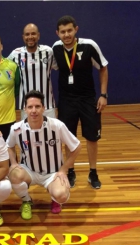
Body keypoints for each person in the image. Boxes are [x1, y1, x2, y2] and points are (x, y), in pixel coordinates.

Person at [52, 15, 108, 189]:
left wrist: (103, 95)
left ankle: (93, 172)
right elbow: (53, 67)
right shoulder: (56, 48)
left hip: (88, 99)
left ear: (76, 29)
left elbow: (103, 68)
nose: (66, 34)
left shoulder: (89, 45)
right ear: (57, 33)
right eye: (63, 32)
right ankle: (70, 170)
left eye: (69, 30)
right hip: (67, 100)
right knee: (68, 138)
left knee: (92, 137)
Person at [7, 90, 81, 218]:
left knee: (61, 195)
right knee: (13, 174)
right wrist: (13, 163)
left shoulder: (57, 125)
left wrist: (64, 169)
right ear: (24, 109)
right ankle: (26, 201)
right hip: (29, 171)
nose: (33, 110)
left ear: (43, 108)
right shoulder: (17, 128)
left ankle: (55, 199)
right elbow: (9, 146)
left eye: (37, 106)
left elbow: (77, 146)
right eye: (30, 107)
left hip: (53, 173)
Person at [8, 23, 56, 119]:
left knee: (50, 133)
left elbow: (60, 66)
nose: (30, 37)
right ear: (23, 37)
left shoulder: (48, 52)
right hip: (26, 106)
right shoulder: (15, 54)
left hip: (47, 104)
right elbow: (2, 66)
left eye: (33, 34)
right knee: (28, 133)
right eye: (27, 34)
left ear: (38, 35)